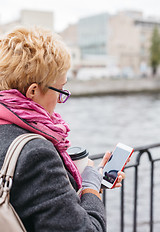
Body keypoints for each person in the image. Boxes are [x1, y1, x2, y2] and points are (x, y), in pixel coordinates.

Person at [0, 27, 125, 232]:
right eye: (60, 89)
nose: (61, 99)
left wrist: (68, 176)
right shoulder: (36, 154)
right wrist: (90, 189)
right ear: (33, 91)